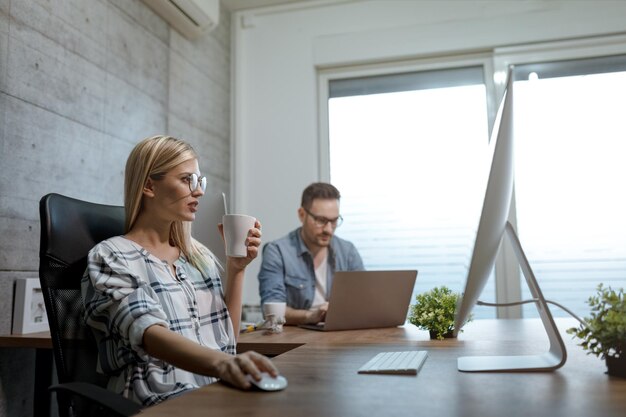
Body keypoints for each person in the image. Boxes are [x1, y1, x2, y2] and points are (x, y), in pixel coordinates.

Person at [81, 135, 278, 407]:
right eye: (187, 180)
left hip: (213, 394)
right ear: (149, 185)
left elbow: (225, 341)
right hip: (155, 399)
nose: (199, 191)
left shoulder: (199, 257)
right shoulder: (112, 256)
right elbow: (149, 334)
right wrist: (223, 365)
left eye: (200, 181)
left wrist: (237, 269)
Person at [257, 182, 364, 325]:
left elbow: (363, 301)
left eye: (334, 221)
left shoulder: (348, 251)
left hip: (338, 334)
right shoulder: (277, 251)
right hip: (295, 336)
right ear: (302, 214)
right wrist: (310, 316)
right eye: (321, 220)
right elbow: (271, 310)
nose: (329, 229)